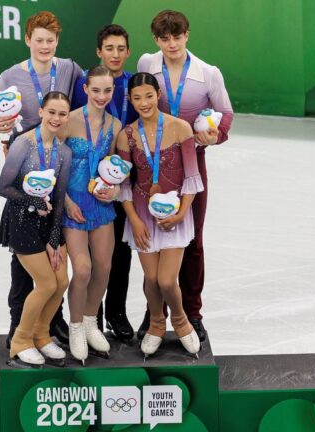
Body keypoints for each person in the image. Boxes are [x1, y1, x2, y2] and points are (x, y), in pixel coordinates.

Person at [0, 11, 83, 348]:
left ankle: (50, 324)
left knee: (54, 253)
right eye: (38, 40)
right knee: (24, 255)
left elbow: (87, 100)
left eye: (50, 40)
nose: (44, 46)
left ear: (57, 42)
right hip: (23, 168)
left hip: (58, 163)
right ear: (28, 40)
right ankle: (17, 325)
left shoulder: (68, 69)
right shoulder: (11, 76)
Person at [137, 10, 234, 341]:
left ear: (187, 35)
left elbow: (225, 115)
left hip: (192, 165)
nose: (171, 44)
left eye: (177, 37)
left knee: (191, 240)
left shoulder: (208, 74)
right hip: (151, 164)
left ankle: (193, 312)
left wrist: (214, 136)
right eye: (164, 38)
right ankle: (156, 314)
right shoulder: (147, 64)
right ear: (156, 40)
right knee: (151, 239)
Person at [116, 72, 202, 357]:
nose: (144, 103)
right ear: (130, 99)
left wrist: (182, 214)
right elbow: (124, 185)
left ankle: (180, 321)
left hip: (176, 213)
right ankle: (155, 324)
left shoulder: (180, 128)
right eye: (137, 98)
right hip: (141, 214)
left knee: (167, 280)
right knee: (150, 279)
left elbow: (192, 176)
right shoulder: (127, 135)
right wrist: (135, 219)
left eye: (149, 96)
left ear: (158, 96)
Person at [71, 24, 139, 341]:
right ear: (99, 51)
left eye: (120, 48)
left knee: (119, 250)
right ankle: (89, 317)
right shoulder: (85, 83)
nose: (115, 54)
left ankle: (116, 312)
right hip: (83, 179)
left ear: (127, 52)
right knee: (85, 255)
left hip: (123, 175)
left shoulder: (133, 84)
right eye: (108, 48)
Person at [0, 91, 73, 367]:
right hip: (21, 220)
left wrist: (55, 237)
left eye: (62, 114)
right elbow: (3, 187)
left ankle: (42, 335)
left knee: (62, 281)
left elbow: (60, 196)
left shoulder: (64, 152)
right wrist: (33, 200)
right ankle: (21, 340)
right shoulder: (23, 145)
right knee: (46, 283)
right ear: (41, 111)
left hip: (48, 222)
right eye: (51, 112)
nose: (56, 118)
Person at [63, 66, 123, 363]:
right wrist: (63, 201)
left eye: (107, 91)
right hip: (73, 204)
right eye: (96, 90)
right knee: (83, 269)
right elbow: (54, 164)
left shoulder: (115, 125)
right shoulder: (69, 120)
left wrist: (112, 191)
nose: (101, 96)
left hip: (101, 206)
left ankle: (90, 321)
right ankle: (75, 326)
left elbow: (112, 168)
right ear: (85, 89)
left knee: (103, 268)